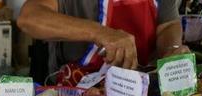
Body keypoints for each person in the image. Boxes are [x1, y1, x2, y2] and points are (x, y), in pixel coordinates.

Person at [18, 0, 190, 85]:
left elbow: (169, 24)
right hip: (79, 94)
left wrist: (171, 48)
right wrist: (100, 33)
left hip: (142, 90)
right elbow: (29, 17)